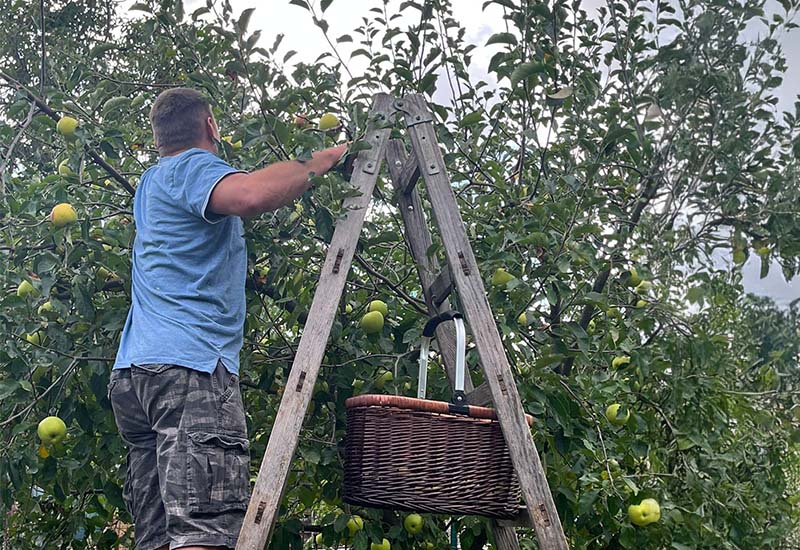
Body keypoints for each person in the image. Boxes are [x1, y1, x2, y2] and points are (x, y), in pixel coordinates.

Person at [107, 87, 347, 550]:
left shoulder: (151, 182)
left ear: (158, 138)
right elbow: (252, 195)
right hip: (188, 370)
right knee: (205, 533)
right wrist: (329, 157)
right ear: (211, 126)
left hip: (137, 377)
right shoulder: (193, 168)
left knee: (158, 539)